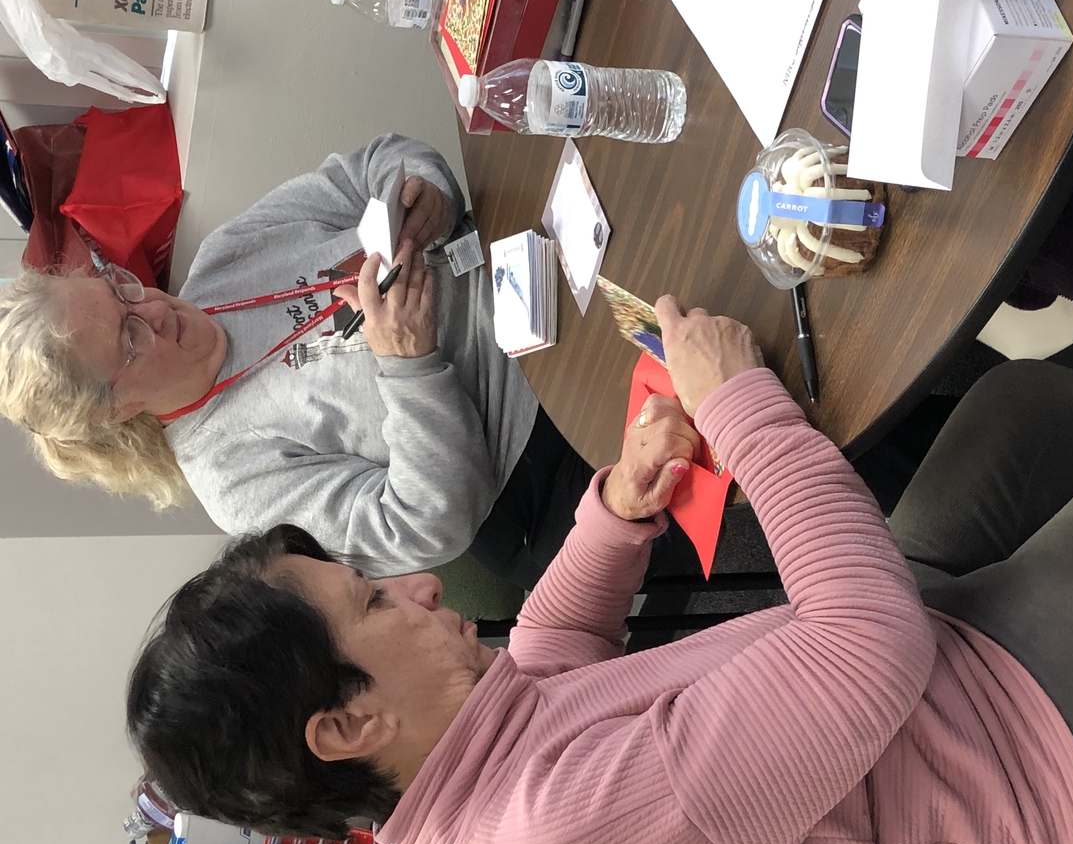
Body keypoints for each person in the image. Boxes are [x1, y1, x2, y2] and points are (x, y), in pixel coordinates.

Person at [127, 296, 1073, 844]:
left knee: (1022, 411)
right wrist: (738, 404)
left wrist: (618, 513)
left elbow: (550, 652)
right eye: (372, 604)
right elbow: (866, 642)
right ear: (351, 721)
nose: (412, 586)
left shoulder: (458, 768)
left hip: (908, 704)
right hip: (1025, 796)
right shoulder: (554, 841)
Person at [0, 134, 657, 586]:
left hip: (551, 280)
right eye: (130, 340)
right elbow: (428, 525)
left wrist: (421, 189)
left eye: (118, 286)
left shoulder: (223, 260)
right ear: (120, 410)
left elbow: (369, 166)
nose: (155, 309)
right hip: (548, 456)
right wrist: (409, 366)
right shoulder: (234, 479)